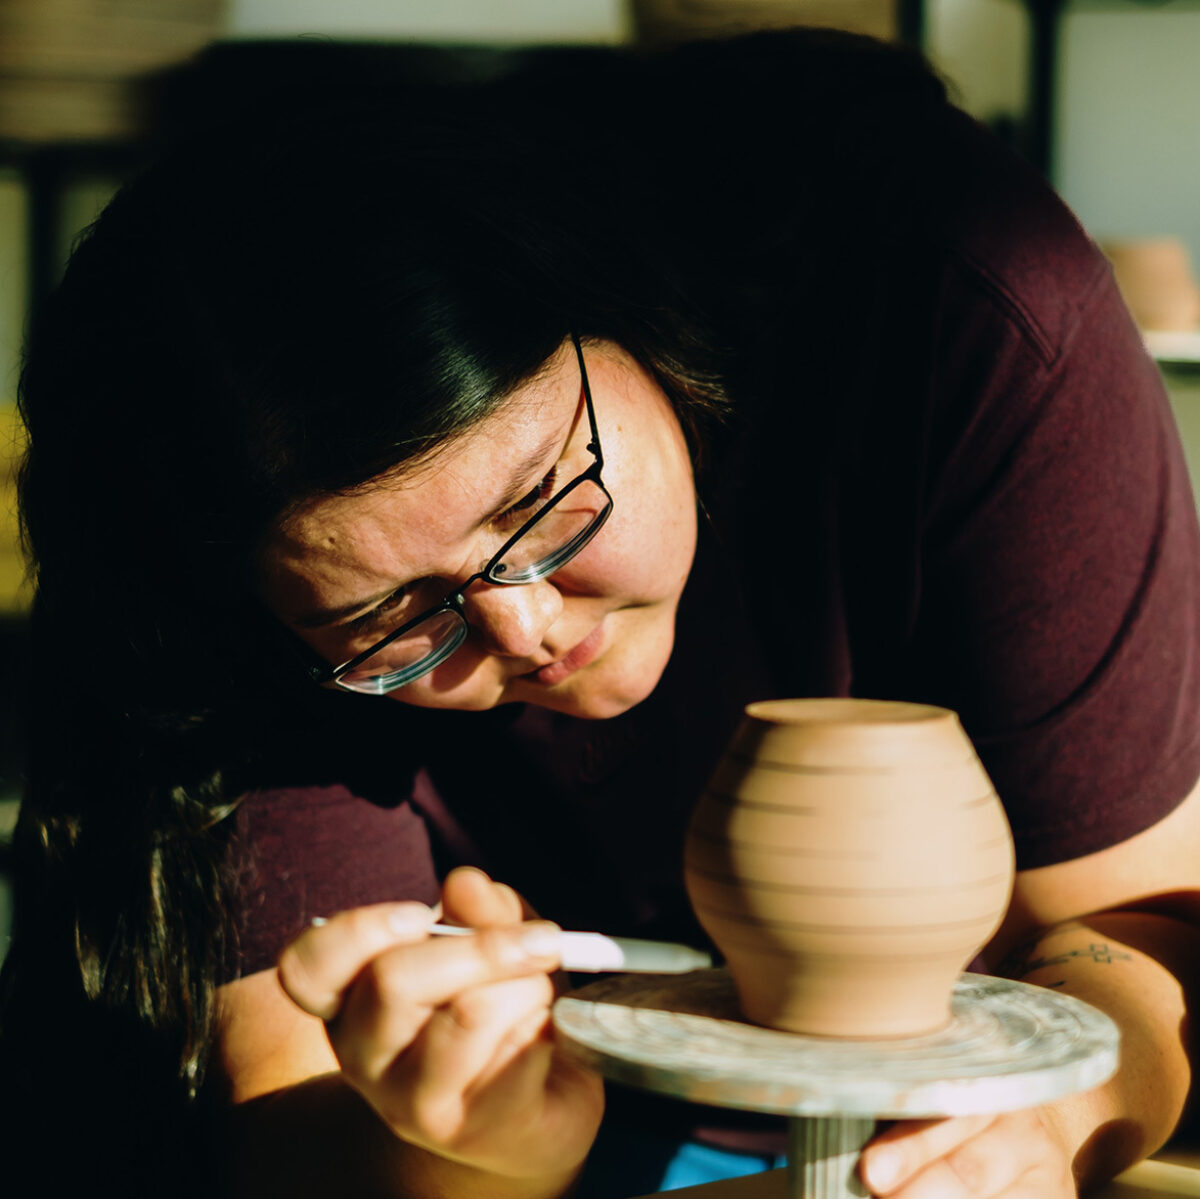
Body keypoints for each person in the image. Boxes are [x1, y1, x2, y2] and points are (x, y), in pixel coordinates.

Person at [1, 27, 1198, 1199]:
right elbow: (293, 1115)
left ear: (620, 308)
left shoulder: (957, 297)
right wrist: (475, 1152)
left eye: (535, 502)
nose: (523, 629)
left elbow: (1137, 925)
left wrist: (1047, 1121)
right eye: (399, 610)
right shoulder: (232, 571)